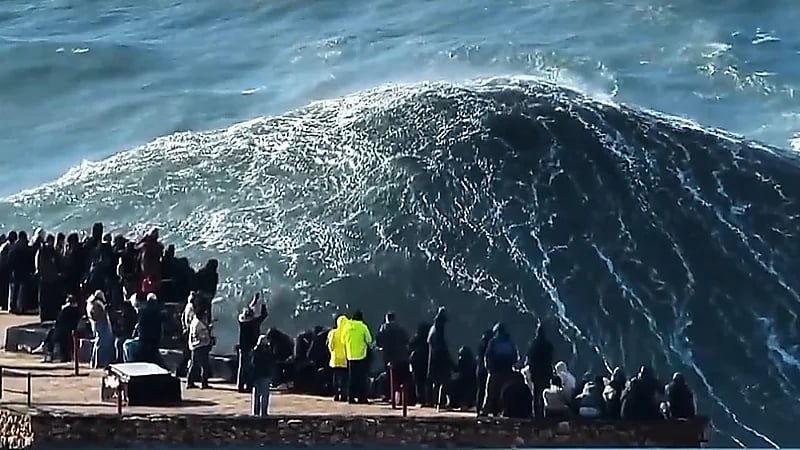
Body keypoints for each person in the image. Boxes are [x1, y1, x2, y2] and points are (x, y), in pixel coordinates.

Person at [482, 322, 518, 416]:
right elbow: (515, 356)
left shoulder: (493, 342)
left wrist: (489, 368)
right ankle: (504, 409)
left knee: (491, 392)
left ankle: (488, 410)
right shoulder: (510, 342)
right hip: (508, 371)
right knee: (505, 392)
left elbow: (488, 356)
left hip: (495, 371)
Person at [375, 311, 409, 402]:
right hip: (400, 355)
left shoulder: (384, 327)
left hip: (388, 355)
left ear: (387, 319)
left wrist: (380, 346)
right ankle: (399, 396)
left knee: (388, 375)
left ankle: (388, 395)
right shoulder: (400, 328)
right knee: (398, 376)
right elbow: (406, 339)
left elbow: (378, 339)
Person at [237, 294, 268, 392]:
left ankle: (240, 386)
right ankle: (249, 386)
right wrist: (263, 303)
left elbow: (248, 310)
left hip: (242, 347)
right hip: (251, 347)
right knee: (250, 367)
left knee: (242, 368)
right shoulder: (254, 323)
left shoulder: (242, 321)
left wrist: (254, 301)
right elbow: (264, 315)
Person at [525, 322, 555, 419]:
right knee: (545, 392)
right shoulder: (548, 345)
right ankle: (544, 413)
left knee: (536, 393)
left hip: (536, 371)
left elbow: (529, 358)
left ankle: (536, 414)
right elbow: (552, 359)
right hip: (546, 371)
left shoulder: (533, 344)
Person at [343, 310, 372, 404]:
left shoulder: (346, 326)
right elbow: (369, 340)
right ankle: (361, 397)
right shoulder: (363, 327)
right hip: (361, 356)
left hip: (350, 355)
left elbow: (343, 340)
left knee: (351, 378)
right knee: (361, 378)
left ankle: (350, 397)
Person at [427, 307, 453, 407]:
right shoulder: (438, 330)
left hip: (434, 358)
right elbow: (441, 347)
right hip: (439, 359)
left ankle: (436, 401)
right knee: (443, 381)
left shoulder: (433, 329)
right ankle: (439, 402)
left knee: (437, 382)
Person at [35, 234, 61, 322]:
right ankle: (46, 316)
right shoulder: (47, 251)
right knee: (46, 300)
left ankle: (47, 316)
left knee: (46, 300)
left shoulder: (48, 251)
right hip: (48, 279)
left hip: (48, 279)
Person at [86, 291, 114, 368]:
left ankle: (95, 362)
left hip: (98, 326)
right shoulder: (96, 304)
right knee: (100, 345)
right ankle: (99, 362)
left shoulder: (91, 304)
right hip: (101, 326)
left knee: (98, 344)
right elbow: (97, 315)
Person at [187, 307, 213, 389]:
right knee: (204, 365)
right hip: (201, 346)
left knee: (194, 364)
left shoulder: (194, 322)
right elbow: (203, 336)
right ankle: (204, 383)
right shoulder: (200, 325)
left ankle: (189, 381)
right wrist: (209, 338)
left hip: (194, 346)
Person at [251, 334, 275, 416]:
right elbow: (271, 364)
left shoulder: (255, 351)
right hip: (265, 375)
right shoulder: (268, 351)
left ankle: (256, 411)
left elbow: (252, 364)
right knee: (265, 395)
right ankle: (264, 412)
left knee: (256, 395)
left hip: (256, 375)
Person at [327, 314, 349, 402]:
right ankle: (343, 395)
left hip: (335, 359)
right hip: (344, 360)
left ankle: (336, 395)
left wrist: (332, 352)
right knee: (344, 379)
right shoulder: (346, 332)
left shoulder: (333, 332)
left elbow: (330, 345)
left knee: (335, 378)